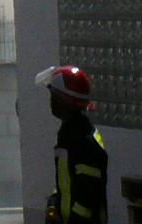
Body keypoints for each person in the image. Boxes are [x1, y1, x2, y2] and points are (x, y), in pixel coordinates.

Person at [36, 64, 107, 224]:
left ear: (64, 101)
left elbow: (88, 196)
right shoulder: (69, 134)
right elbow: (66, 182)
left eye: (53, 96)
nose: (51, 100)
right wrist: (53, 205)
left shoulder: (82, 141)